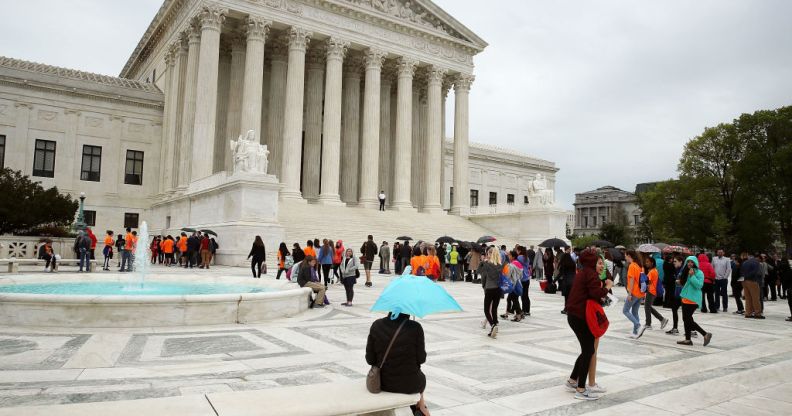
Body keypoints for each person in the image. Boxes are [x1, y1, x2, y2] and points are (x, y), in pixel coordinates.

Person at [564, 248, 612, 400]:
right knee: (589, 350)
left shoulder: (584, 272)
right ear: (591, 262)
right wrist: (607, 287)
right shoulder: (590, 274)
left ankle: (573, 380)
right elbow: (595, 294)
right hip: (579, 316)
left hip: (574, 315)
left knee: (587, 349)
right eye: (599, 262)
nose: (602, 266)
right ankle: (581, 389)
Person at [366, 312, 429, 416]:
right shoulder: (416, 327)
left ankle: (419, 407)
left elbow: (370, 360)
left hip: (382, 383)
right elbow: (421, 359)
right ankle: (421, 407)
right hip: (411, 384)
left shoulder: (376, 325)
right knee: (421, 379)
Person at [678, 256, 713, 346]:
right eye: (688, 262)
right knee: (686, 319)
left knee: (687, 319)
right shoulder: (685, 271)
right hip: (685, 298)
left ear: (695, 263)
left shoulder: (699, 273)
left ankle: (705, 334)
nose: (690, 263)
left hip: (693, 299)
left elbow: (699, 285)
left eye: (692, 262)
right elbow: (684, 283)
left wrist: (693, 276)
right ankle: (688, 339)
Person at [479, 247, 502, 338]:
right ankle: (495, 326)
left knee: (486, 310)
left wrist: (482, 262)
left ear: (489, 254)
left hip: (489, 288)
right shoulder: (500, 264)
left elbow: (482, 276)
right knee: (494, 309)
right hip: (498, 289)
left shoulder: (487, 264)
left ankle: (493, 325)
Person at [622, 250, 645, 339]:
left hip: (634, 292)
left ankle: (638, 325)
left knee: (625, 310)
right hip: (640, 293)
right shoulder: (639, 265)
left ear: (629, 255)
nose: (625, 257)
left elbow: (631, 281)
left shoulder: (632, 266)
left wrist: (629, 294)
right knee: (635, 312)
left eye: (625, 255)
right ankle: (636, 333)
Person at [642, 256, 669, 330]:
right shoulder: (654, 270)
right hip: (652, 291)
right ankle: (661, 320)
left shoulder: (652, 271)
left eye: (648, 262)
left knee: (647, 307)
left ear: (652, 263)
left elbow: (647, 282)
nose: (646, 263)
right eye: (646, 262)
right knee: (648, 307)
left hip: (651, 291)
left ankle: (649, 324)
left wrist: (642, 275)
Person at [665, 255, 685, 335]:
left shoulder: (683, 270)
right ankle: (675, 328)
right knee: (674, 309)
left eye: (675, 261)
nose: (674, 263)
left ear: (681, 262)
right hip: (678, 294)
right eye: (673, 261)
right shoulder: (677, 269)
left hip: (683, 295)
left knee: (686, 314)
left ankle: (692, 330)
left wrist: (679, 281)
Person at [741, 253, 764, 319]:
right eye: (760, 260)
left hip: (744, 281)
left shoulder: (745, 262)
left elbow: (741, 271)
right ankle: (757, 313)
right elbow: (755, 272)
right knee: (755, 298)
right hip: (752, 281)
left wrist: (745, 277)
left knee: (748, 298)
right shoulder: (756, 262)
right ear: (758, 258)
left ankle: (748, 313)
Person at [504, 250, 524, 322]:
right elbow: (521, 275)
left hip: (513, 284)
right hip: (517, 283)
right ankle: (513, 313)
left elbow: (508, 275)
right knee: (512, 299)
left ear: (513, 256)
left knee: (514, 300)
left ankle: (519, 315)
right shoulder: (518, 263)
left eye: (509, 255)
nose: (508, 256)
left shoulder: (512, 264)